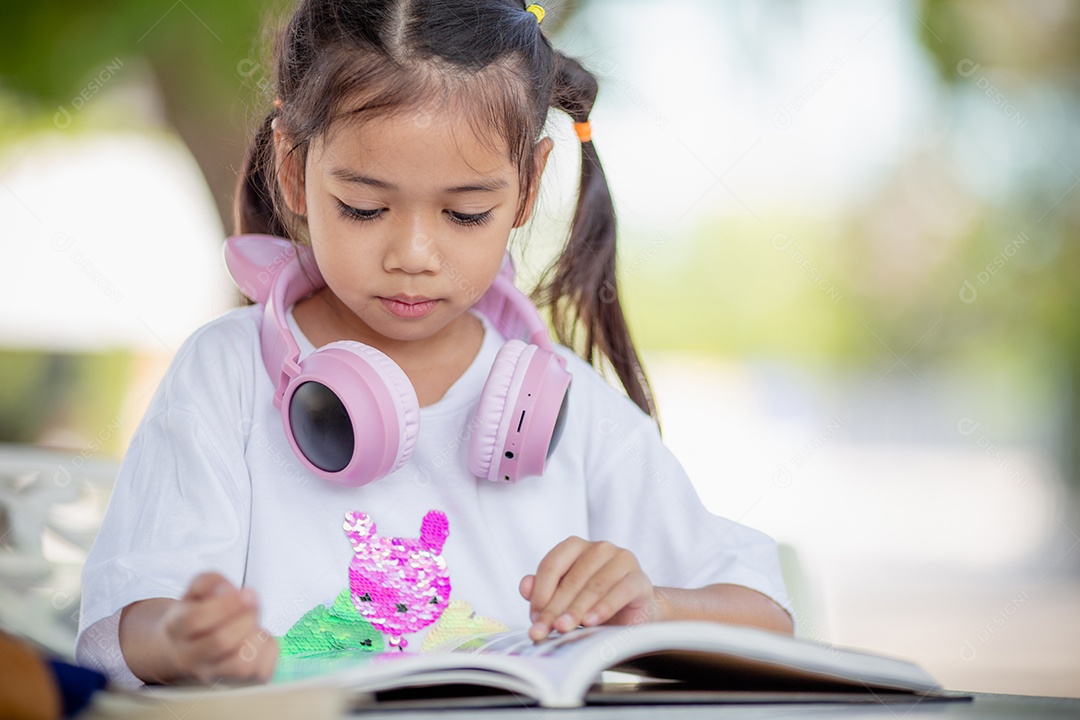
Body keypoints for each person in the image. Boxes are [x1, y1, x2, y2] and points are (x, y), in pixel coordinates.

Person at [75, 0, 793, 687]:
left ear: (528, 187)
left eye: (465, 213)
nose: (414, 253)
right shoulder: (226, 375)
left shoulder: (567, 404)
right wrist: (180, 638)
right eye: (364, 206)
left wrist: (656, 608)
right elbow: (126, 621)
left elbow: (766, 617)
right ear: (294, 169)